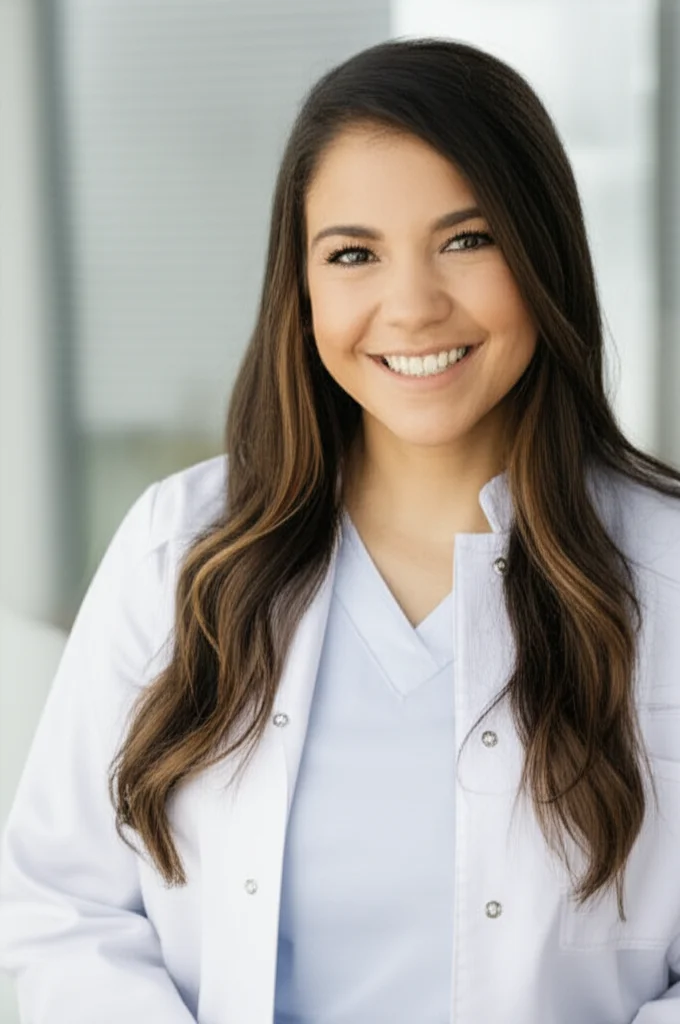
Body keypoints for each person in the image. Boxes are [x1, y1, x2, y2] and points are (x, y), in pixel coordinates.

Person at [1, 36, 680, 1024]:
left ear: (542, 255)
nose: (410, 306)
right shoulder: (178, 551)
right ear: (303, 288)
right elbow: (62, 900)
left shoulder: (662, 571)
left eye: (465, 240)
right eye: (353, 254)